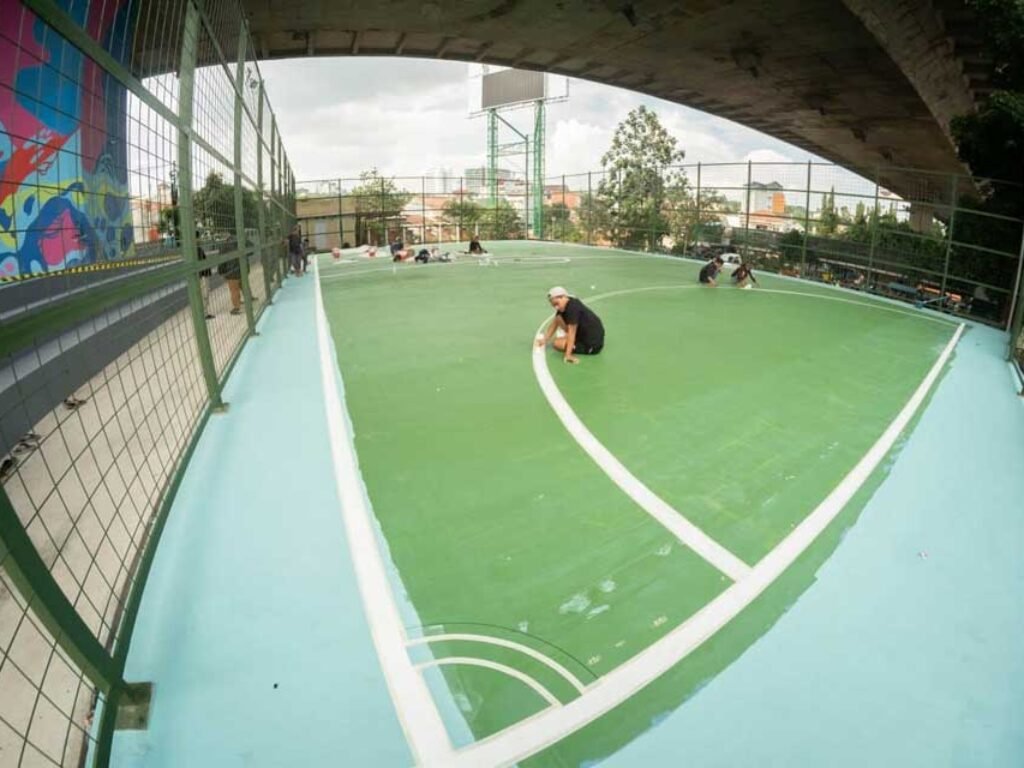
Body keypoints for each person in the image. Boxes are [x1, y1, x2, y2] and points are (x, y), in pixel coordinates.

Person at [535, 286, 604, 364]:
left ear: (562, 297)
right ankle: (572, 341)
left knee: (556, 343)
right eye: (554, 306)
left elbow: (572, 333)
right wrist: (545, 339)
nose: (556, 307)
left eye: (557, 304)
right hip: (585, 334)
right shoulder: (568, 302)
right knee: (558, 318)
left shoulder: (572, 309)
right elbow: (556, 321)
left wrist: (568, 355)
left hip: (591, 346)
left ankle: (574, 346)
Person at [196, 232, 214, 319]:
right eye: (198, 238)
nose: (200, 240)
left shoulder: (198, 249)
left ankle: (204, 312)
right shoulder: (197, 250)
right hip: (202, 276)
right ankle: (204, 313)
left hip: (202, 275)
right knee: (204, 294)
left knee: (204, 294)